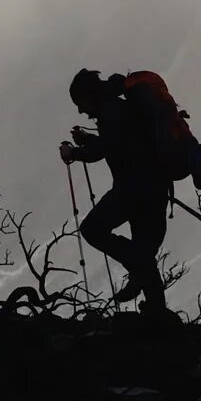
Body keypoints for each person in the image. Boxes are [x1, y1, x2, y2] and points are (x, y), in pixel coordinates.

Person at [59, 69, 174, 316]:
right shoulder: (117, 108)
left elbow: (106, 147)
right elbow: (117, 143)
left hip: (135, 188)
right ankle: (157, 311)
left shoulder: (112, 109)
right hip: (155, 188)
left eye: (80, 104)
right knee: (143, 248)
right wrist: (87, 139)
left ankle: (139, 274)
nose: (81, 111)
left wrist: (75, 154)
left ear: (89, 95)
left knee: (93, 229)